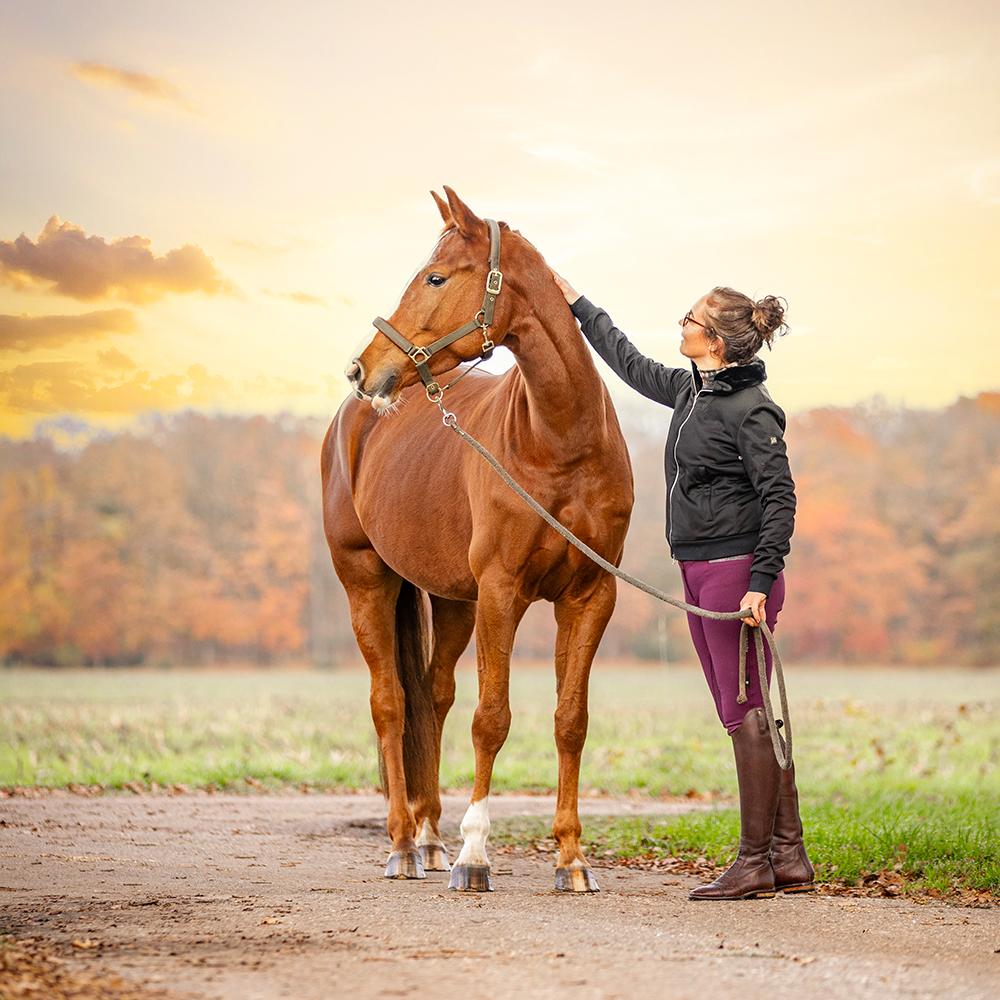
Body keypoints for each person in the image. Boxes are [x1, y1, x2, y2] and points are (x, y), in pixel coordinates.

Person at [553, 272, 814, 901]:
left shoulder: (750, 409)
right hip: (700, 567)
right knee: (745, 711)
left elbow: (780, 498)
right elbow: (629, 362)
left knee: (744, 712)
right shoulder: (691, 391)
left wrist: (759, 582)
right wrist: (579, 305)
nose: (682, 324)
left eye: (692, 318)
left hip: (736, 574)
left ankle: (755, 861)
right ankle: (788, 855)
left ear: (717, 339)